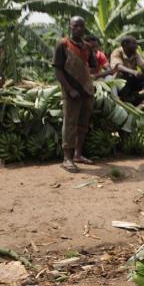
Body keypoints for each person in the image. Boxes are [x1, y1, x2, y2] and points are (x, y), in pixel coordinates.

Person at [53, 17, 97, 172]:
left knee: (82, 124)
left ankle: (78, 154)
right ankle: (67, 158)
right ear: (70, 27)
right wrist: (69, 89)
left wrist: (91, 53)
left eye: (82, 26)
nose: (79, 28)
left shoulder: (86, 47)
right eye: (75, 25)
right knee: (70, 123)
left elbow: (92, 65)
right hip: (71, 90)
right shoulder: (63, 45)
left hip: (86, 89)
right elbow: (58, 69)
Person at [110, 36, 144, 103]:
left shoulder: (134, 53)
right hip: (120, 82)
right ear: (125, 44)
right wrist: (133, 72)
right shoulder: (117, 52)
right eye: (133, 43)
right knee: (122, 74)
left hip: (132, 79)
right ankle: (127, 99)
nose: (136, 45)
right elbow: (118, 66)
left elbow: (142, 64)